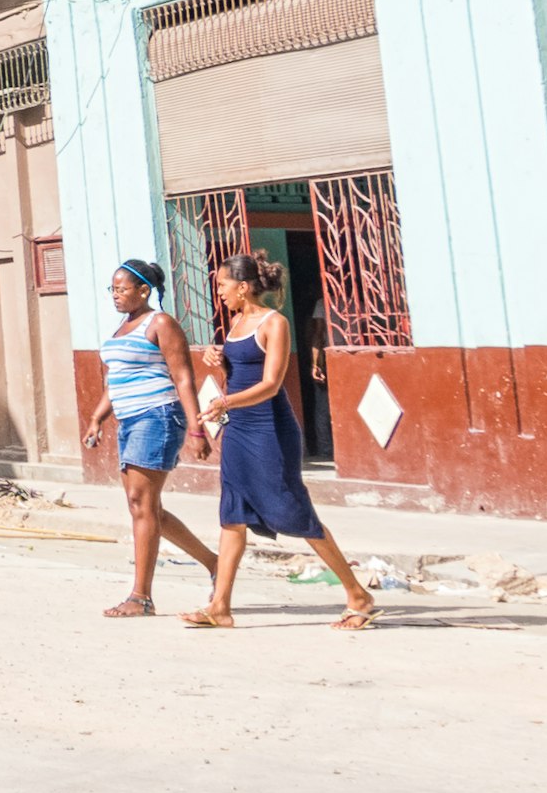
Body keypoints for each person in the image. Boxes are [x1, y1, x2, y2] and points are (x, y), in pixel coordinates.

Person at [189, 252, 377, 630]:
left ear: (243, 287)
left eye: (223, 285)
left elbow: (271, 383)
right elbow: (239, 375)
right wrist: (219, 359)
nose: (220, 292)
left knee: (293, 510)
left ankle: (358, 594)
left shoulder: (275, 323)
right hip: (239, 429)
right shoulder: (236, 322)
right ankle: (220, 607)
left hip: (269, 430)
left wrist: (223, 401)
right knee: (232, 515)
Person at [77, 256, 217, 618]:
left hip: (157, 416)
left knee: (142, 504)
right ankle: (214, 563)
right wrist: (97, 418)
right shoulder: (123, 328)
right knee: (145, 507)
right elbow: (117, 380)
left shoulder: (161, 323)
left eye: (122, 289)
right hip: (129, 420)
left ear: (144, 290)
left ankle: (141, 597)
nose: (116, 295)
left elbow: (184, 377)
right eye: (113, 289)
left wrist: (196, 427)